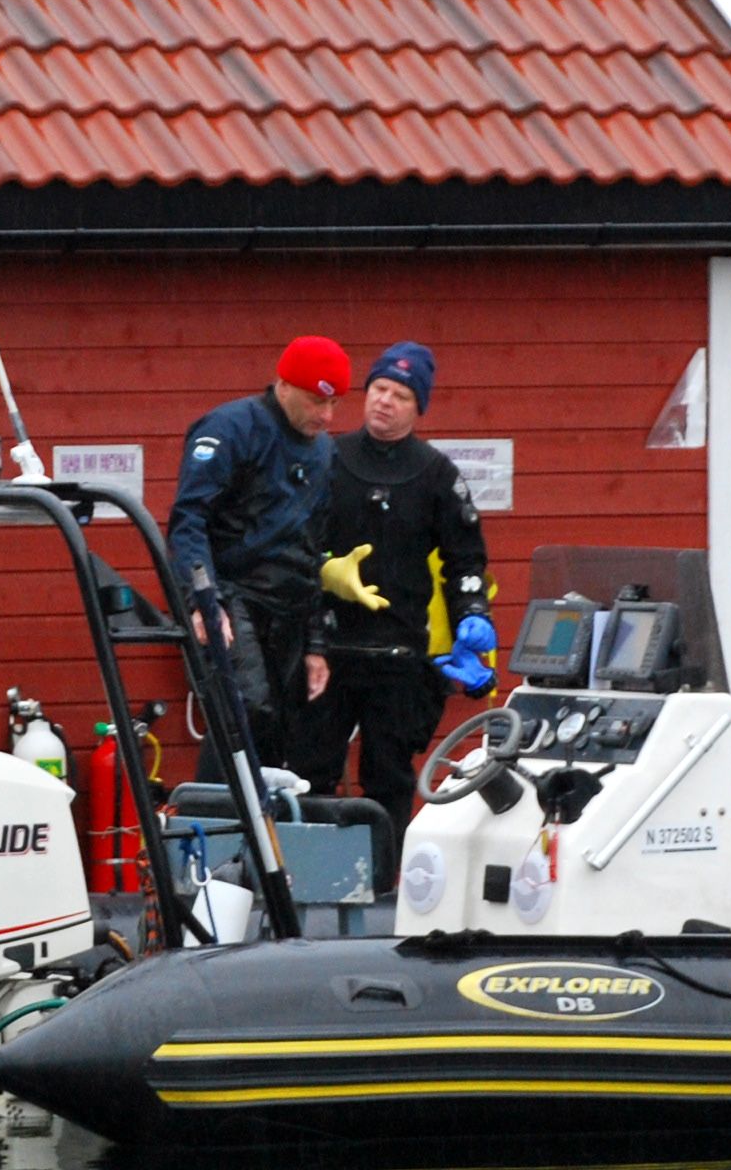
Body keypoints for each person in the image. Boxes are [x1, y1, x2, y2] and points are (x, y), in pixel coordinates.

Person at [291, 342, 495, 852]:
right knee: (310, 770)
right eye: (378, 388)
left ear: (417, 406)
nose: (384, 401)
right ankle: (308, 888)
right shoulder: (326, 459)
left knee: (389, 776)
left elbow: (464, 559)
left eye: (400, 394)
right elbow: (293, 544)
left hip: (399, 655)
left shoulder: (437, 475)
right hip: (327, 652)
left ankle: (385, 889)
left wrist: (472, 616)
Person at [169, 335, 350, 770]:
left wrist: (316, 642)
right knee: (244, 712)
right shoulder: (231, 429)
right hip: (230, 592)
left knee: (283, 729)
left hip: (288, 606)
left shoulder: (325, 452)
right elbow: (189, 520)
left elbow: (313, 547)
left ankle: (263, 830)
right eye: (315, 402)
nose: (325, 416)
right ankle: (211, 815)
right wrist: (204, 603)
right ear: (284, 386)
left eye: (334, 405)